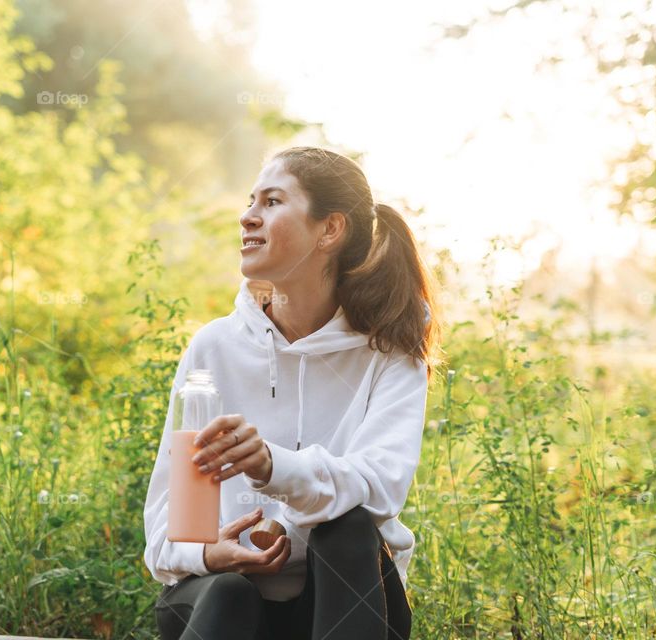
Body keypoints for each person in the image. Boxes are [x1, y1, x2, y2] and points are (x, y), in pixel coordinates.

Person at [143, 146, 441, 640]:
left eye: (272, 202)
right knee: (228, 591)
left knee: (346, 529)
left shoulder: (390, 347)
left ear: (330, 230)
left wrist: (270, 466)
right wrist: (206, 554)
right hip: (227, 609)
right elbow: (165, 530)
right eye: (250, 201)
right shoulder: (214, 348)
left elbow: (382, 486)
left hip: (347, 603)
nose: (247, 217)